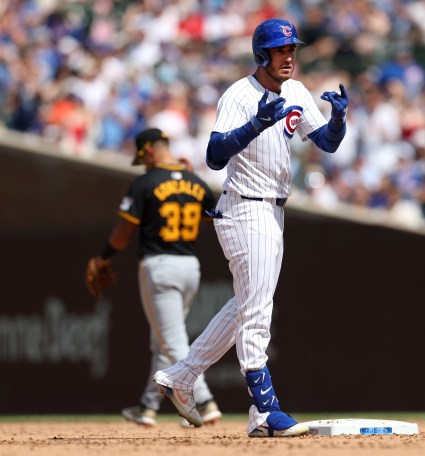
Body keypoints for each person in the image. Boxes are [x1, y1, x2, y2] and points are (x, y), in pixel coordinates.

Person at [153, 18, 348, 437]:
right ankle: (266, 408)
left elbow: (327, 143)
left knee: (246, 304)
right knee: (258, 309)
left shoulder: (295, 90)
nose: (290, 57)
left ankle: (182, 377)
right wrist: (255, 124)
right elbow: (213, 156)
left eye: (293, 49)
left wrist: (337, 120)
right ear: (262, 54)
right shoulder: (239, 95)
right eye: (282, 51)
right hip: (245, 208)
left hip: (274, 209)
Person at [88, 127, 222, 427]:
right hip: (191, 266)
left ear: (148, 150)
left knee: (172, 341)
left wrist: (104, 256)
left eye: (142, 157)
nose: (143, 163)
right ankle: (147, 406)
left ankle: (205, 400)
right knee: (162, 340)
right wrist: (188, 181)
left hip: (159, 266)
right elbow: (215, 220)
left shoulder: (145, 183)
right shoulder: (197, 182)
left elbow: (123, 233)